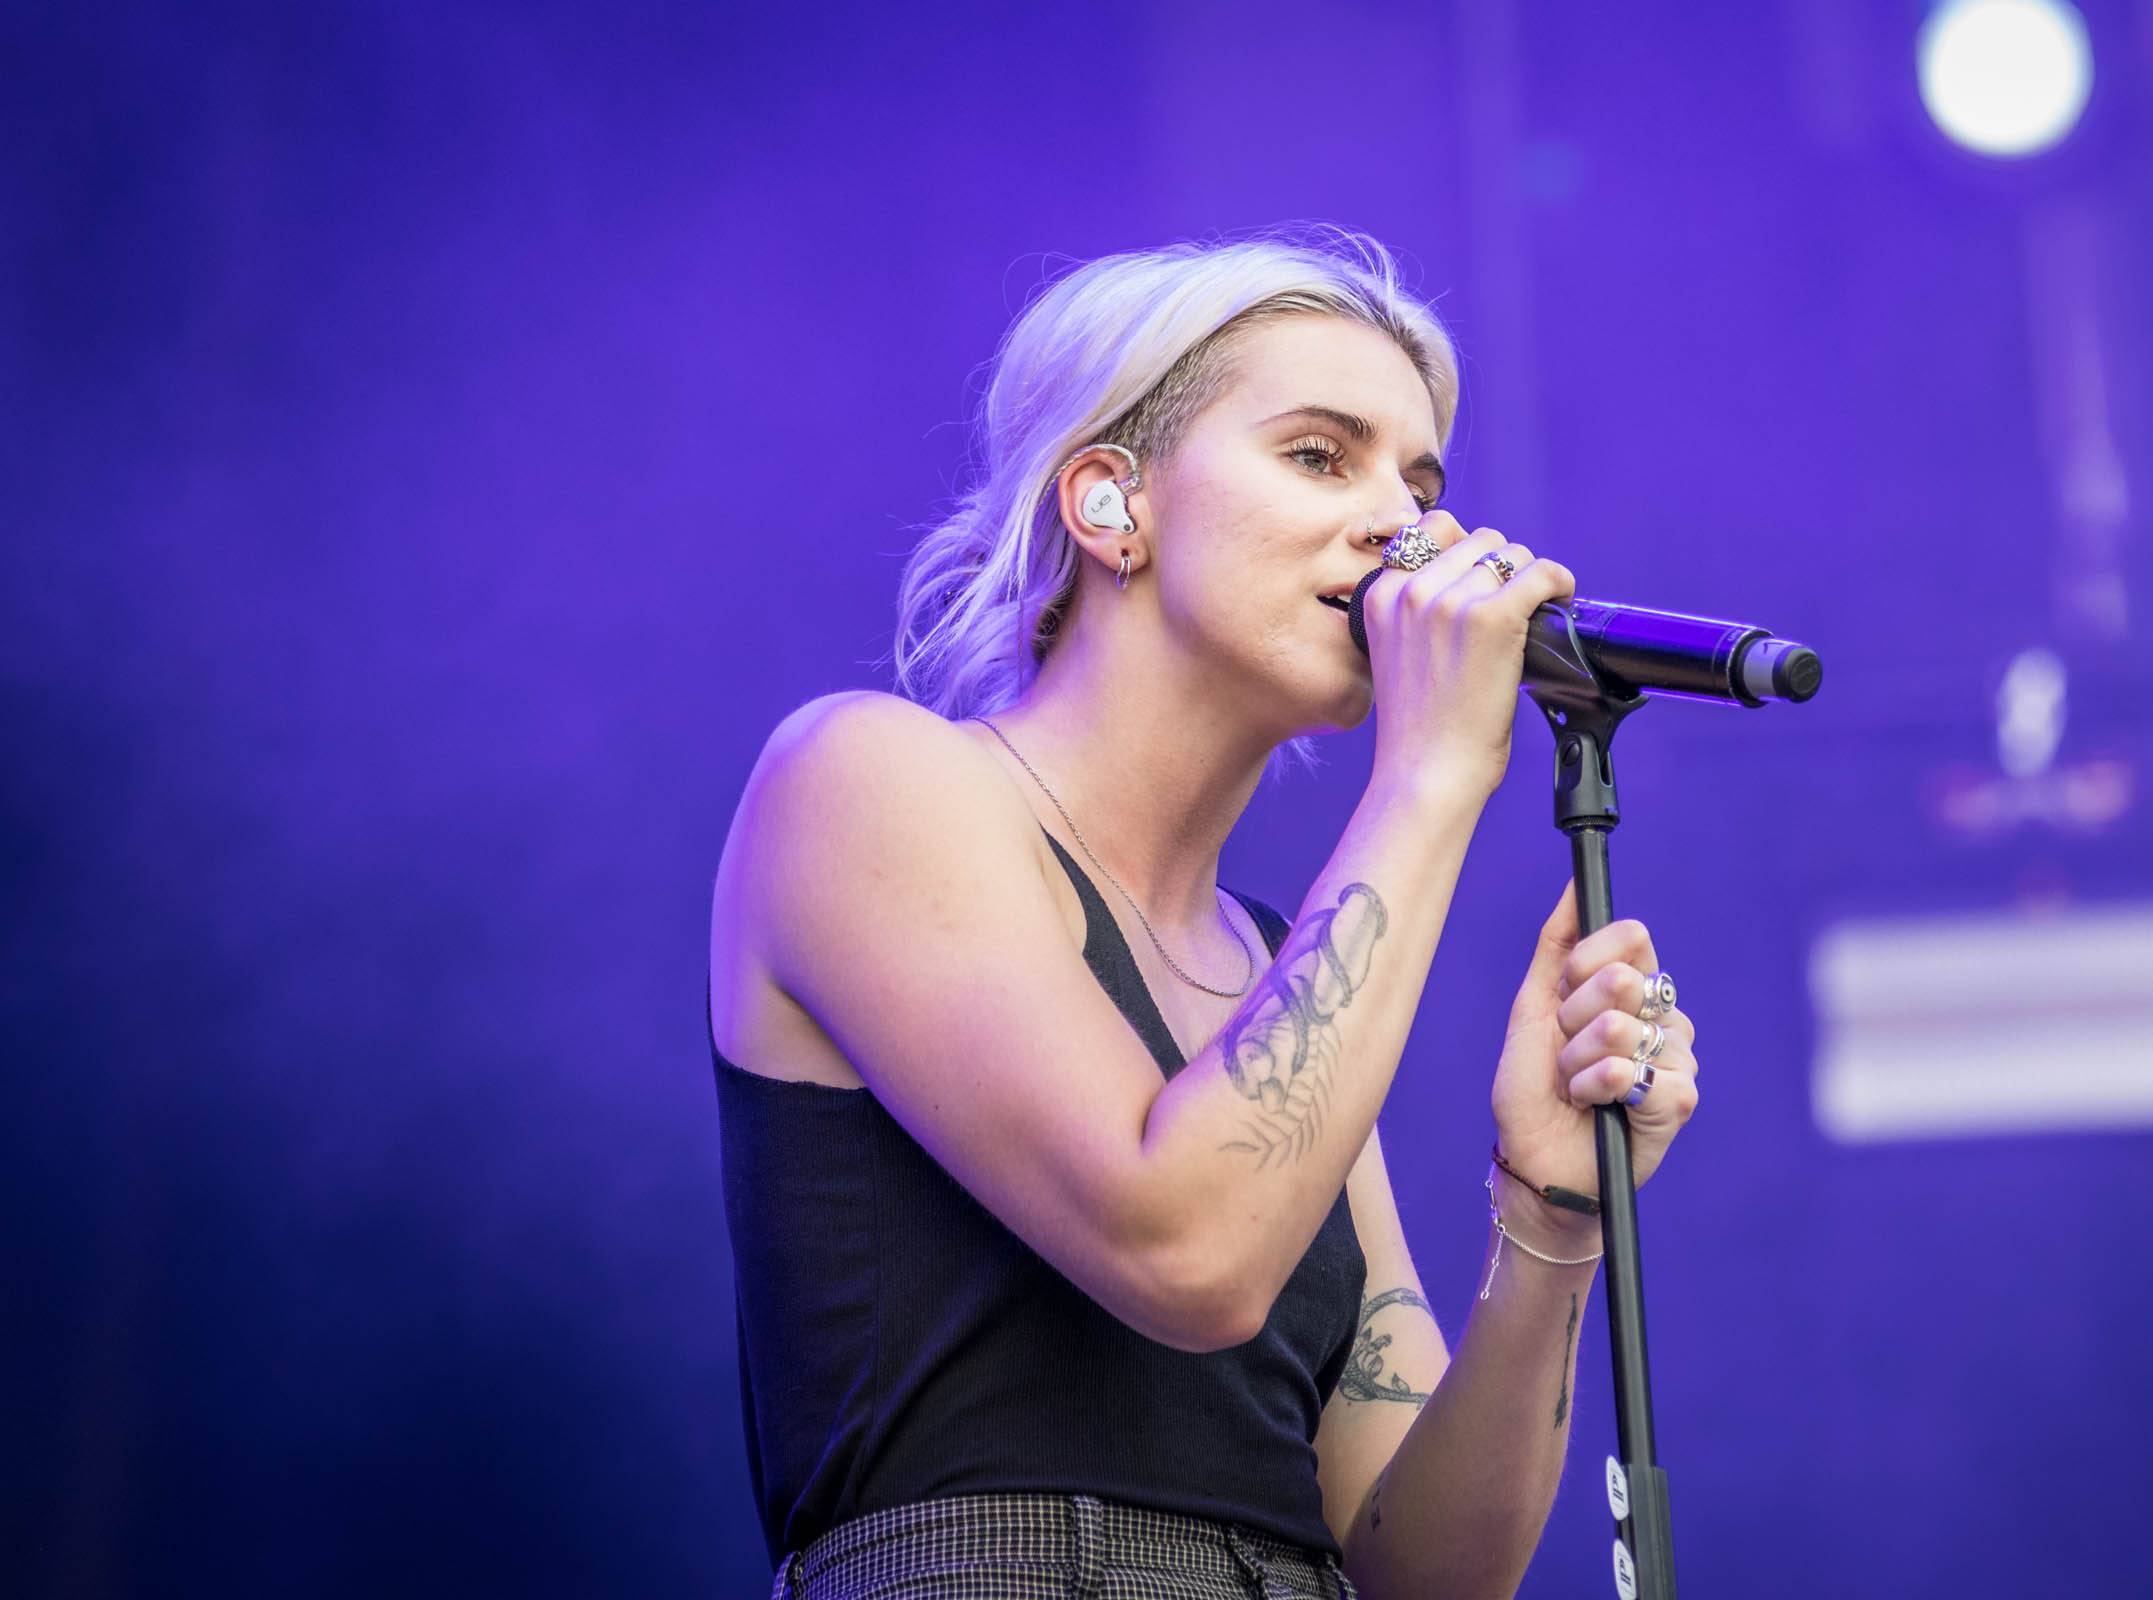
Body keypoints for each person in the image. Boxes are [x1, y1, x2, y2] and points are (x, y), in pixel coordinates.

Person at [707, 225, 1703, 1599]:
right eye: (1317, 455)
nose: (1404, 528)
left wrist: (1552, 1221)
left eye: (1422, 482)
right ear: (1111, 502)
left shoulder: (1273, 973)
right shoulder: (866, 781)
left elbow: (1426, 1576)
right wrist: (1428, 775)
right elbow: (1186, 1249)